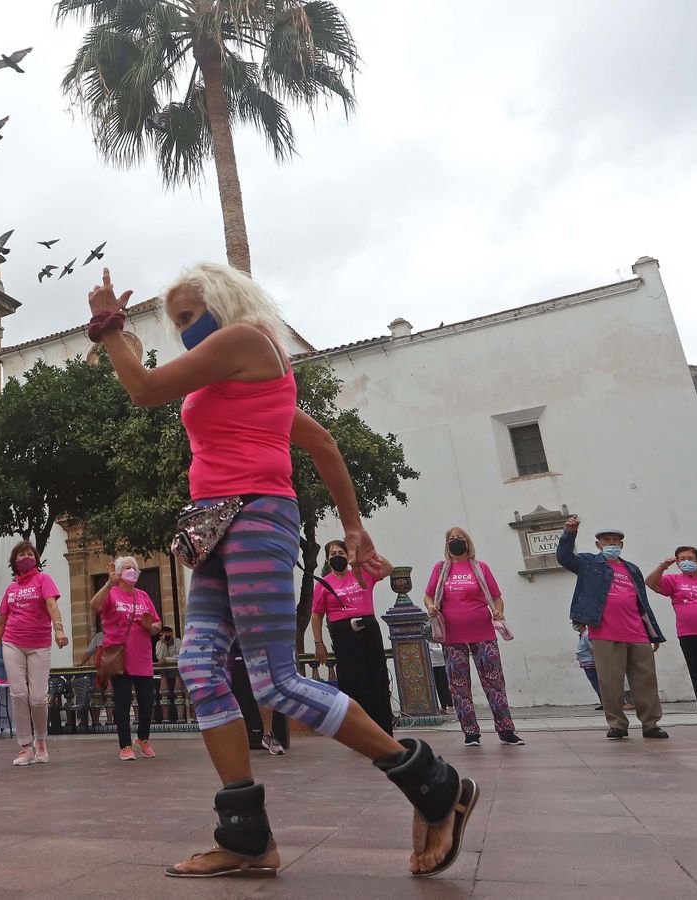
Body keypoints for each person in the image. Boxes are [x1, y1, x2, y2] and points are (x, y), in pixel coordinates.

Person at [88, 263, 477, 879]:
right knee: (197, 663)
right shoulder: (248, 377)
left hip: (255, 519)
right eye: (179, 322)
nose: (185, 330)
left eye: (190, 316)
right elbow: (320, 441)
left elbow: (142, 389)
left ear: (222, 302)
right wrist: (352, 525)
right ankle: (245, 836)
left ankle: (435, 783)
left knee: (273, 680)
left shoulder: (246, 342)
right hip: (216, 524)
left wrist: (109, 326)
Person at [557, 518, 667, 740]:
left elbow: (642, 602)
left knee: (645, 680)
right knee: (609, 681)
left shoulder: (632, 568)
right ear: (598, 544)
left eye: (616, 540)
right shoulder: (588, 563)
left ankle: (650, 724)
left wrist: (653, 632)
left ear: (622, 544)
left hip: (637, 632)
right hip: (605, 632)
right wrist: (569, 533)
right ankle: (617, 724)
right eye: (607, 540)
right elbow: (565, 558)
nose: (612, 544)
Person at [424, 528, 521, 748]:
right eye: (451, 539)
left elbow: (496, 598)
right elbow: (429, 595)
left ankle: (506, 730)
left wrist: (498, 612)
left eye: (460, 539)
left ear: (468, 543)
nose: (456, 542)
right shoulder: (441, 569)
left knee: (494, 683)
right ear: (446, 545)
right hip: (452, 637)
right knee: (459, 686)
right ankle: (470, 733)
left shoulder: (480, 568)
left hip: (483, 634)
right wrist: (431, 607)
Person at [0, 541, 68, 766]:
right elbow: (1, 620)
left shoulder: (43, 579)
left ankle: (40, 741)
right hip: (13, 643)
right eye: (21, 554)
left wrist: (58, 629)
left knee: (38, 698)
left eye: (30, 553)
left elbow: (51, 605)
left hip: (39, 644)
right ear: (14, 561)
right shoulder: (11, 589)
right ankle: (25, 746)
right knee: (18, 695)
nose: (26, 557)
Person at [311, 539, 396, 736]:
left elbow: (389, 568)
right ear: (327, 559)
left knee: (377, 678)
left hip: (368, 630)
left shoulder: (362, 574)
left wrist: (368, 555)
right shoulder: (323, 584)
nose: (337, 557)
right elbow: (316, 615)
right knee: (353, 682)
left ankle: (383, 730)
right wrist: (319, 643)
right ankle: (361, 733)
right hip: (344, 634)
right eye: (333, 554)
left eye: (341, 553)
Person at [92, 557, 164, 762]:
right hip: (119, 657)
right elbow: (94, 606)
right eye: (127, 567)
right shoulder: (112, 593)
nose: (132, 570)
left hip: (143, 657)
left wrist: (151, 627)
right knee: (122, 702)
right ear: (118, 571)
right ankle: (124, 745)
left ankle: (142, 739)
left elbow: (158, 624)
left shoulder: (143, 596)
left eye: (135, 567)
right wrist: (108, 584)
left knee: (147, 701)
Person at [645, 545, 697, 731]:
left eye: (690, 558)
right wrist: (662, 566)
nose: (687, 561)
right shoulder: (673, 580)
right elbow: (650, 583)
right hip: (691, 636)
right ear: (678, 563)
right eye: (682, 559)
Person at [574, 630, 603, 709]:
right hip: (587, 663)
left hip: (590, 663)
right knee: (595, 683)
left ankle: (604, 702)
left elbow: (593, 648)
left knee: (596, 683)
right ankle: (603, 702)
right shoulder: (583, 635)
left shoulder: (586, 635)